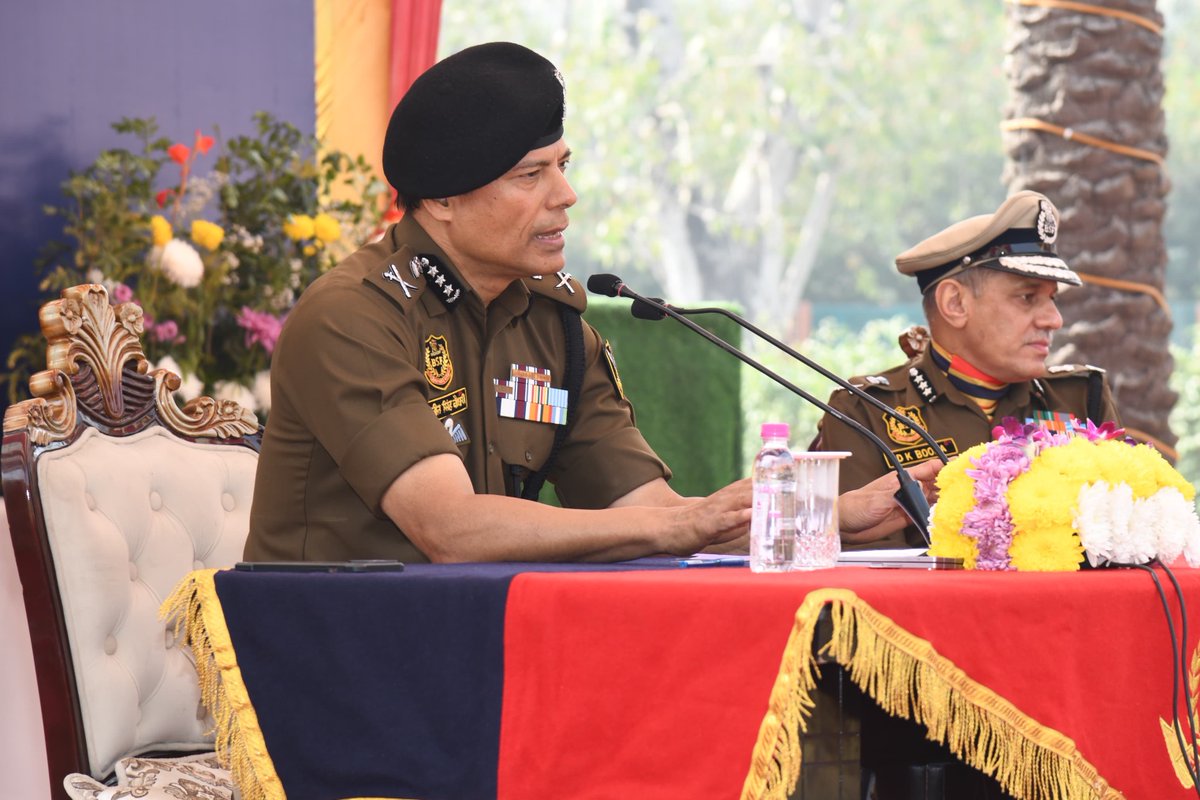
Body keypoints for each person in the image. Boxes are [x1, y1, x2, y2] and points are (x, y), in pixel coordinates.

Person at [244, 41, 937, 565]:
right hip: (330, 651)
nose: (565, 196)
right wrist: (676, 525)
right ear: (443, 200)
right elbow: (449, 529)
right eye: (531, 176)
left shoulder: (554, 327)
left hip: (473, 640)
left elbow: (652, 513)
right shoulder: (354, 316)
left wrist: (826, 516)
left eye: (563, 166)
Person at [811, 188, 1120, 553]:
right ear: (955, 303)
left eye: (1052, 299)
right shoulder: (867, 411)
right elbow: (861, 569)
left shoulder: (1081, 397)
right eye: (1027, 297)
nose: (1054, 319)